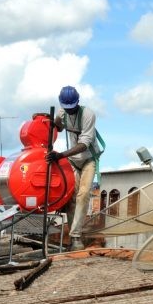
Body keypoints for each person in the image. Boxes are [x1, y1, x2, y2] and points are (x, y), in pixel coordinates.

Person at [45, 86, 98, 251]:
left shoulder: (88, 115)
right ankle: (74, 236)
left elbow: (84, 145)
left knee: (83, 195)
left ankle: (76, 236)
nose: (70, 110)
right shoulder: (62, 113)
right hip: (73, 162)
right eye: (66, 108)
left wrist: (60, 155)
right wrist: (48, 120)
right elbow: (58, 127)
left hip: (88, 159)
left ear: (78, 102)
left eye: (72, 108)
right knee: (70, 199)